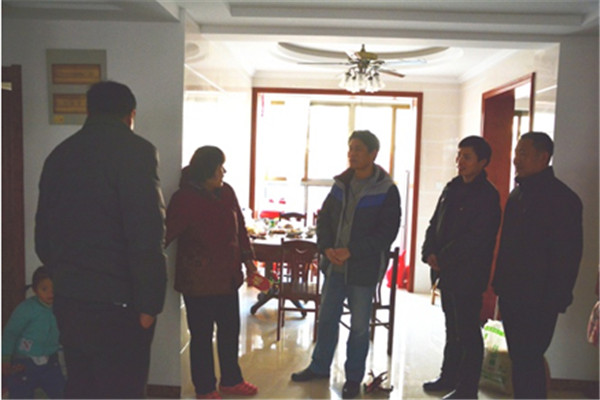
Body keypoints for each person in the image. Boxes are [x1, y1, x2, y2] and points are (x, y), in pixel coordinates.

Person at [35, 81, 167, 399]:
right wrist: (149, 305)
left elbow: (43, 237)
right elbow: (146, 234)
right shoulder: (136, 151)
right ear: (130, 115)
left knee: (81, 386)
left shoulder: (59, 155)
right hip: (120, 306)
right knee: (122, 390)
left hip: (70, 301)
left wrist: (65, 279)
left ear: (89, 111)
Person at [291, 130, 401, 399]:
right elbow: (324, 219)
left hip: (363, 269)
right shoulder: (341, 184)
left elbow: (386, 233)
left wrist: (352, 251)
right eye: (350, 148)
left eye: (358, 149)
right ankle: (319, 367)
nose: (352, 153)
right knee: (327, 319)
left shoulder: (386, 189)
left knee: (360, 327)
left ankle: (353, 377)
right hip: (334, 266)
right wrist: (326, 248)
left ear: (373, 154)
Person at [492, 131, 583, 399]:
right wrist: (499, 286)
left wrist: (557, 298)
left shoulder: (564, 200)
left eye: (523, 153)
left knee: (530, 359)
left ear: (543, 158)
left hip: (541, 298)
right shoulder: (516, 195)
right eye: (516, 152)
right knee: (519, 359)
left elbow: (569, 255)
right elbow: (506, 247)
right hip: (512, 294)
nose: (516, 159)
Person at [165, 146, 258, 400]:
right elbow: (167, 233)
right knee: (202, 336)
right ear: (206, 170)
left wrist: (249, 262)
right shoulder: (184, 198)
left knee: (230, 332)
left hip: (228, 278)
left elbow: (240, 230)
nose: (223, 172)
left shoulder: (227, 192)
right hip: (198, 282)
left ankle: (231, 380)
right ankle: (205, 388)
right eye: (219, 167)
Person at [421, 136, 501, 399]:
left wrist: (443, 257)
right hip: (445, 271)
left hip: (468, 274)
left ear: (482, 162)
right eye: (459, 156)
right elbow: (435, 223)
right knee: (452, 328)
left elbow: (476, 238)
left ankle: (467, 389)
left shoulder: (487, 195)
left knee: (467, 331)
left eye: (467, 157)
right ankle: (448, 377)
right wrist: (429, 251)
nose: (460, 161)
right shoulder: (452, 187)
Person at [2, 267, 66, 399]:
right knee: (20, 392)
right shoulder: (26, 308)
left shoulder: (60, 307)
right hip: (24, 361)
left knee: (61, 391)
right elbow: (10, 333)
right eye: (44, 289)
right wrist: (5, 358)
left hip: (51, 360)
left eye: (54, 288)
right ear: (35, 290)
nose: (50, 293)